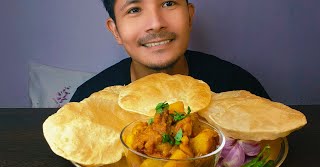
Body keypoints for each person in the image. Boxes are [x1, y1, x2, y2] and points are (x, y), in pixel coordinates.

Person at [70, 0, 270, 102]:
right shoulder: (87, 101)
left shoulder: (240, 89)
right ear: (116, 31)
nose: (156, 24)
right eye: (134, 10)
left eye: (168, 3)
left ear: (190, 17)